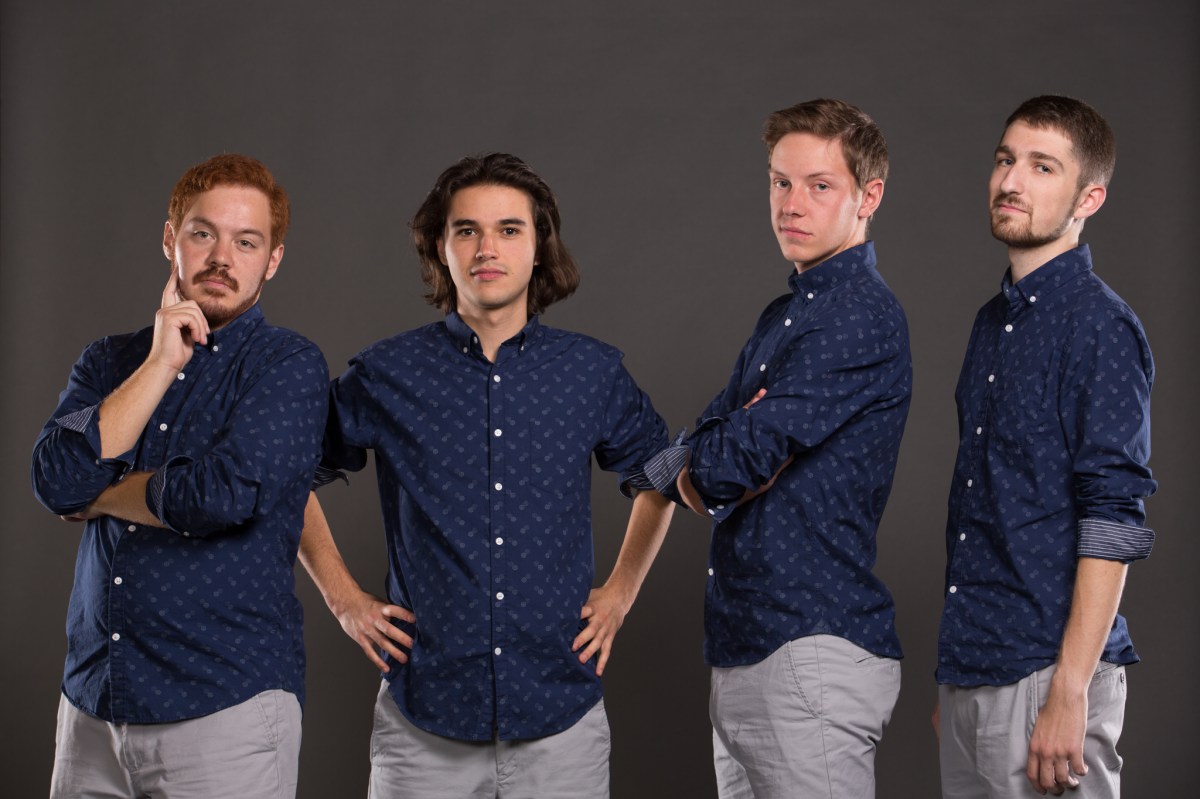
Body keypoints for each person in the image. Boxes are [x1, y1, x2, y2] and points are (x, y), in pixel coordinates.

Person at [299, 152, 674, 798]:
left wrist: (620, 593)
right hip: (424, 723)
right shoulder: (387, 373)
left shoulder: (591, 372)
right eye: (466, 230)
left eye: (508, 229)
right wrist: (342, 598)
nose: (487, 248)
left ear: (539, 245)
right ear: (440, 247)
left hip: (561, 721)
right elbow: (288, 474)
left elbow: (660, 473)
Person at [636, 98, 911, 798]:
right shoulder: (786, 314)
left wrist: (714, 453)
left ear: (868, 196)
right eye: (781, 182)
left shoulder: (857, 316)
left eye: (819, 185)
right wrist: (714, 449)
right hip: (748, 646)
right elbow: (689, 457)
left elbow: (720, 469)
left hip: (810, 648)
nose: (791, 204)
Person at [32, 154, 328, 798]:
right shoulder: (108, 361)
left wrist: (102, 494)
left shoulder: (287, 366)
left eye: (246, 242)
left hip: (223, 710)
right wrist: (160, 364)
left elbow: (221, 496)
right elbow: (56, 480)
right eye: (203, 233)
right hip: (92, 708)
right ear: (170, 238)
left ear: (272, 260)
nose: (222, 257)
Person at [935, 95, 1156, 798]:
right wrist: (958, 680)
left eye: (1042, 166)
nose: (1011, 181)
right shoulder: (990, 323)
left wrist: (1069, 689)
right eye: (1005, 159)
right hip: (974, 671)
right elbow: (985, 503)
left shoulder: (1100, 326)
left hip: (1047, 676)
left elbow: (1113, 516)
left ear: (1089, 197)